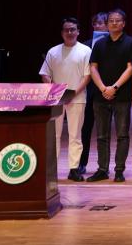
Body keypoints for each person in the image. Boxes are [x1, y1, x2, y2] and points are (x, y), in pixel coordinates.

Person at [39, 17, 92, 181]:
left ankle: (74, 169)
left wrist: (73, 93)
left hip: (77, 97)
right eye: (66, 30)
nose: (69, 32)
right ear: (62, 33)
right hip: (56, 99)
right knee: (54, 135)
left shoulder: (86, 51)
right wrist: (54, 91)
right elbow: (45, 73)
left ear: (78, 31)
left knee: (75, 135)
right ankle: (51, 169)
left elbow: (87, 76)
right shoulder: (53, 51)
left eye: (72, 29)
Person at [87, 9, 132, 182]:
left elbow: (131, 67)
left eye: (118, 20)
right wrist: (102, 88)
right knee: (101, 136)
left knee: (122, 135)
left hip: (122, 95)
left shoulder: (131, 43)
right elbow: (93, 67)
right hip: (100, 96)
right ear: (107, 24)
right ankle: (102, 169)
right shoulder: (99, 43)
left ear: (124, 23)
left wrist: (114, 87)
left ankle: (119, 170)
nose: (114, 23)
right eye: (111, 21)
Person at [78, 12, 108, 176]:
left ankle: (104, 166)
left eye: (100, 23)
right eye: (95, 23)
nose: (97, 26)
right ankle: (81, 163)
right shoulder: (85, 45)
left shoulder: (113, 43)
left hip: (108, 91)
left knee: (105, 132)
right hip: (89, 92)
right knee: (85, 129)